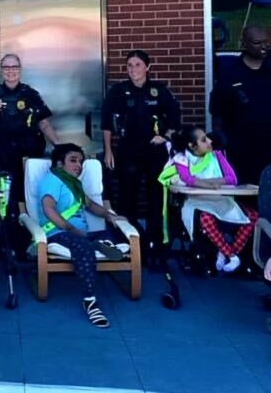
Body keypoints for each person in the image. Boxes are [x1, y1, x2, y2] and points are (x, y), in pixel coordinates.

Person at [101, 49, 181, 267]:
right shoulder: (118, 91)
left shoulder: (159, 91)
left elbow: (175, 120)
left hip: (155, 154)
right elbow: (107, 123)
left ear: (147, 67)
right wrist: (108, 150)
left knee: (156, 200)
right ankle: (133, 247)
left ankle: (156, 248)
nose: (133, 69)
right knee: (127, 200)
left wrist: (165, 137)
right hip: (128, 152)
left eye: (137, 65)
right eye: (129, 65)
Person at [37, 144, 126, 328]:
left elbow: (91, 206)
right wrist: (71, 229)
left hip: (80, 234)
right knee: (84, 248)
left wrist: (110, 215)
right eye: (73, 160)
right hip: (58, 234)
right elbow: (48, 209)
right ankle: (90, 300)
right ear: (59, 163)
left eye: (80, 161)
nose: (78, 165)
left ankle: (101, 243)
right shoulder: (52, 181)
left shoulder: (75, 184)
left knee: (114, 234)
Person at [159, 126, 258, 273]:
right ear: (191, 146)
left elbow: (232, 179)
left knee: (253, 217)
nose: (209, 141)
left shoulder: (216, 155)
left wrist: (216, 181)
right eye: (204, 140)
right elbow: (188, 179)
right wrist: (208, 184)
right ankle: (231, 255)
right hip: (196, 202)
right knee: (206, 219)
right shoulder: (181, 158)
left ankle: (225, 252)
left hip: (220, 199)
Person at [0, 53, 59, 204]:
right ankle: (6, 224)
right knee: (5, 195)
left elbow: (44, 123)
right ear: (1, 70)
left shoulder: (31, 94)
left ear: (20, 69)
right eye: (6, 67)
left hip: (30, 153)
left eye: (14, 67)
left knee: (30, 193)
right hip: (2, 154)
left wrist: (59, 147)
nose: (10, 70)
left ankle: (27, 225)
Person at [210, 25, 271, 185]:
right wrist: (221, 141)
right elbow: (217, 113)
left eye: (267, 42)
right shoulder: (230, 74)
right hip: (241, 151)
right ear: (244, 43)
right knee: (244, 198)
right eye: (257, 42)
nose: (264, 46)